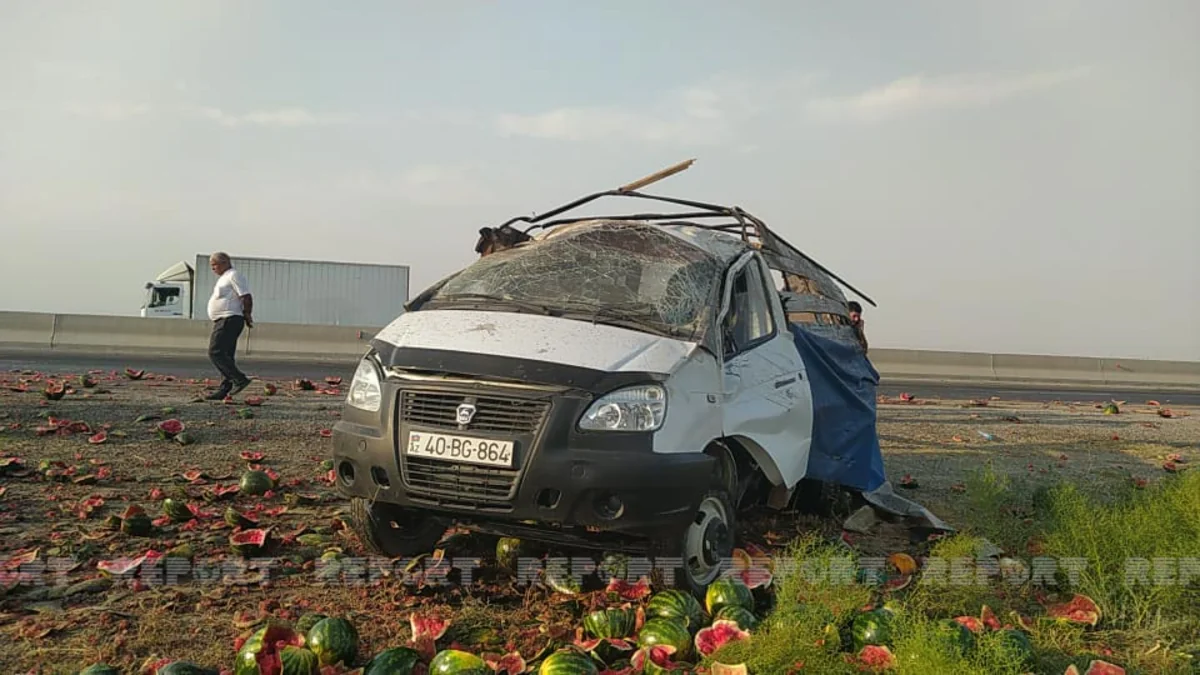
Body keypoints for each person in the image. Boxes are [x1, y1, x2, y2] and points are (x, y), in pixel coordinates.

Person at [205, 252, 254, 400]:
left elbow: (246, 296)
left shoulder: (233, 275)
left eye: (215, 265)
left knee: (215, 352)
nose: (213, 268)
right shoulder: (224, 278)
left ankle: (239, 379)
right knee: (227, 356)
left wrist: (247, 314)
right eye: (211, 265)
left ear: (225, 263)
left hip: (229, 318)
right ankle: (225, 388)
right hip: (223, 319)